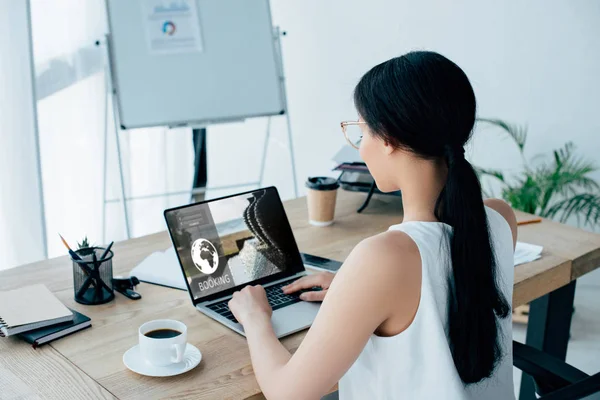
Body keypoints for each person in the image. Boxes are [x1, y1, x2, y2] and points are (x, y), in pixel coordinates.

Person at [228, 51, 517, 399]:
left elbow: (287, 393)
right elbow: (439, 289)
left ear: (389, 139)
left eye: (361, 131)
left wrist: (256, 319)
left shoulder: (384, 257)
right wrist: (356, 290)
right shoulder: (501, 219)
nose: (360, 147)